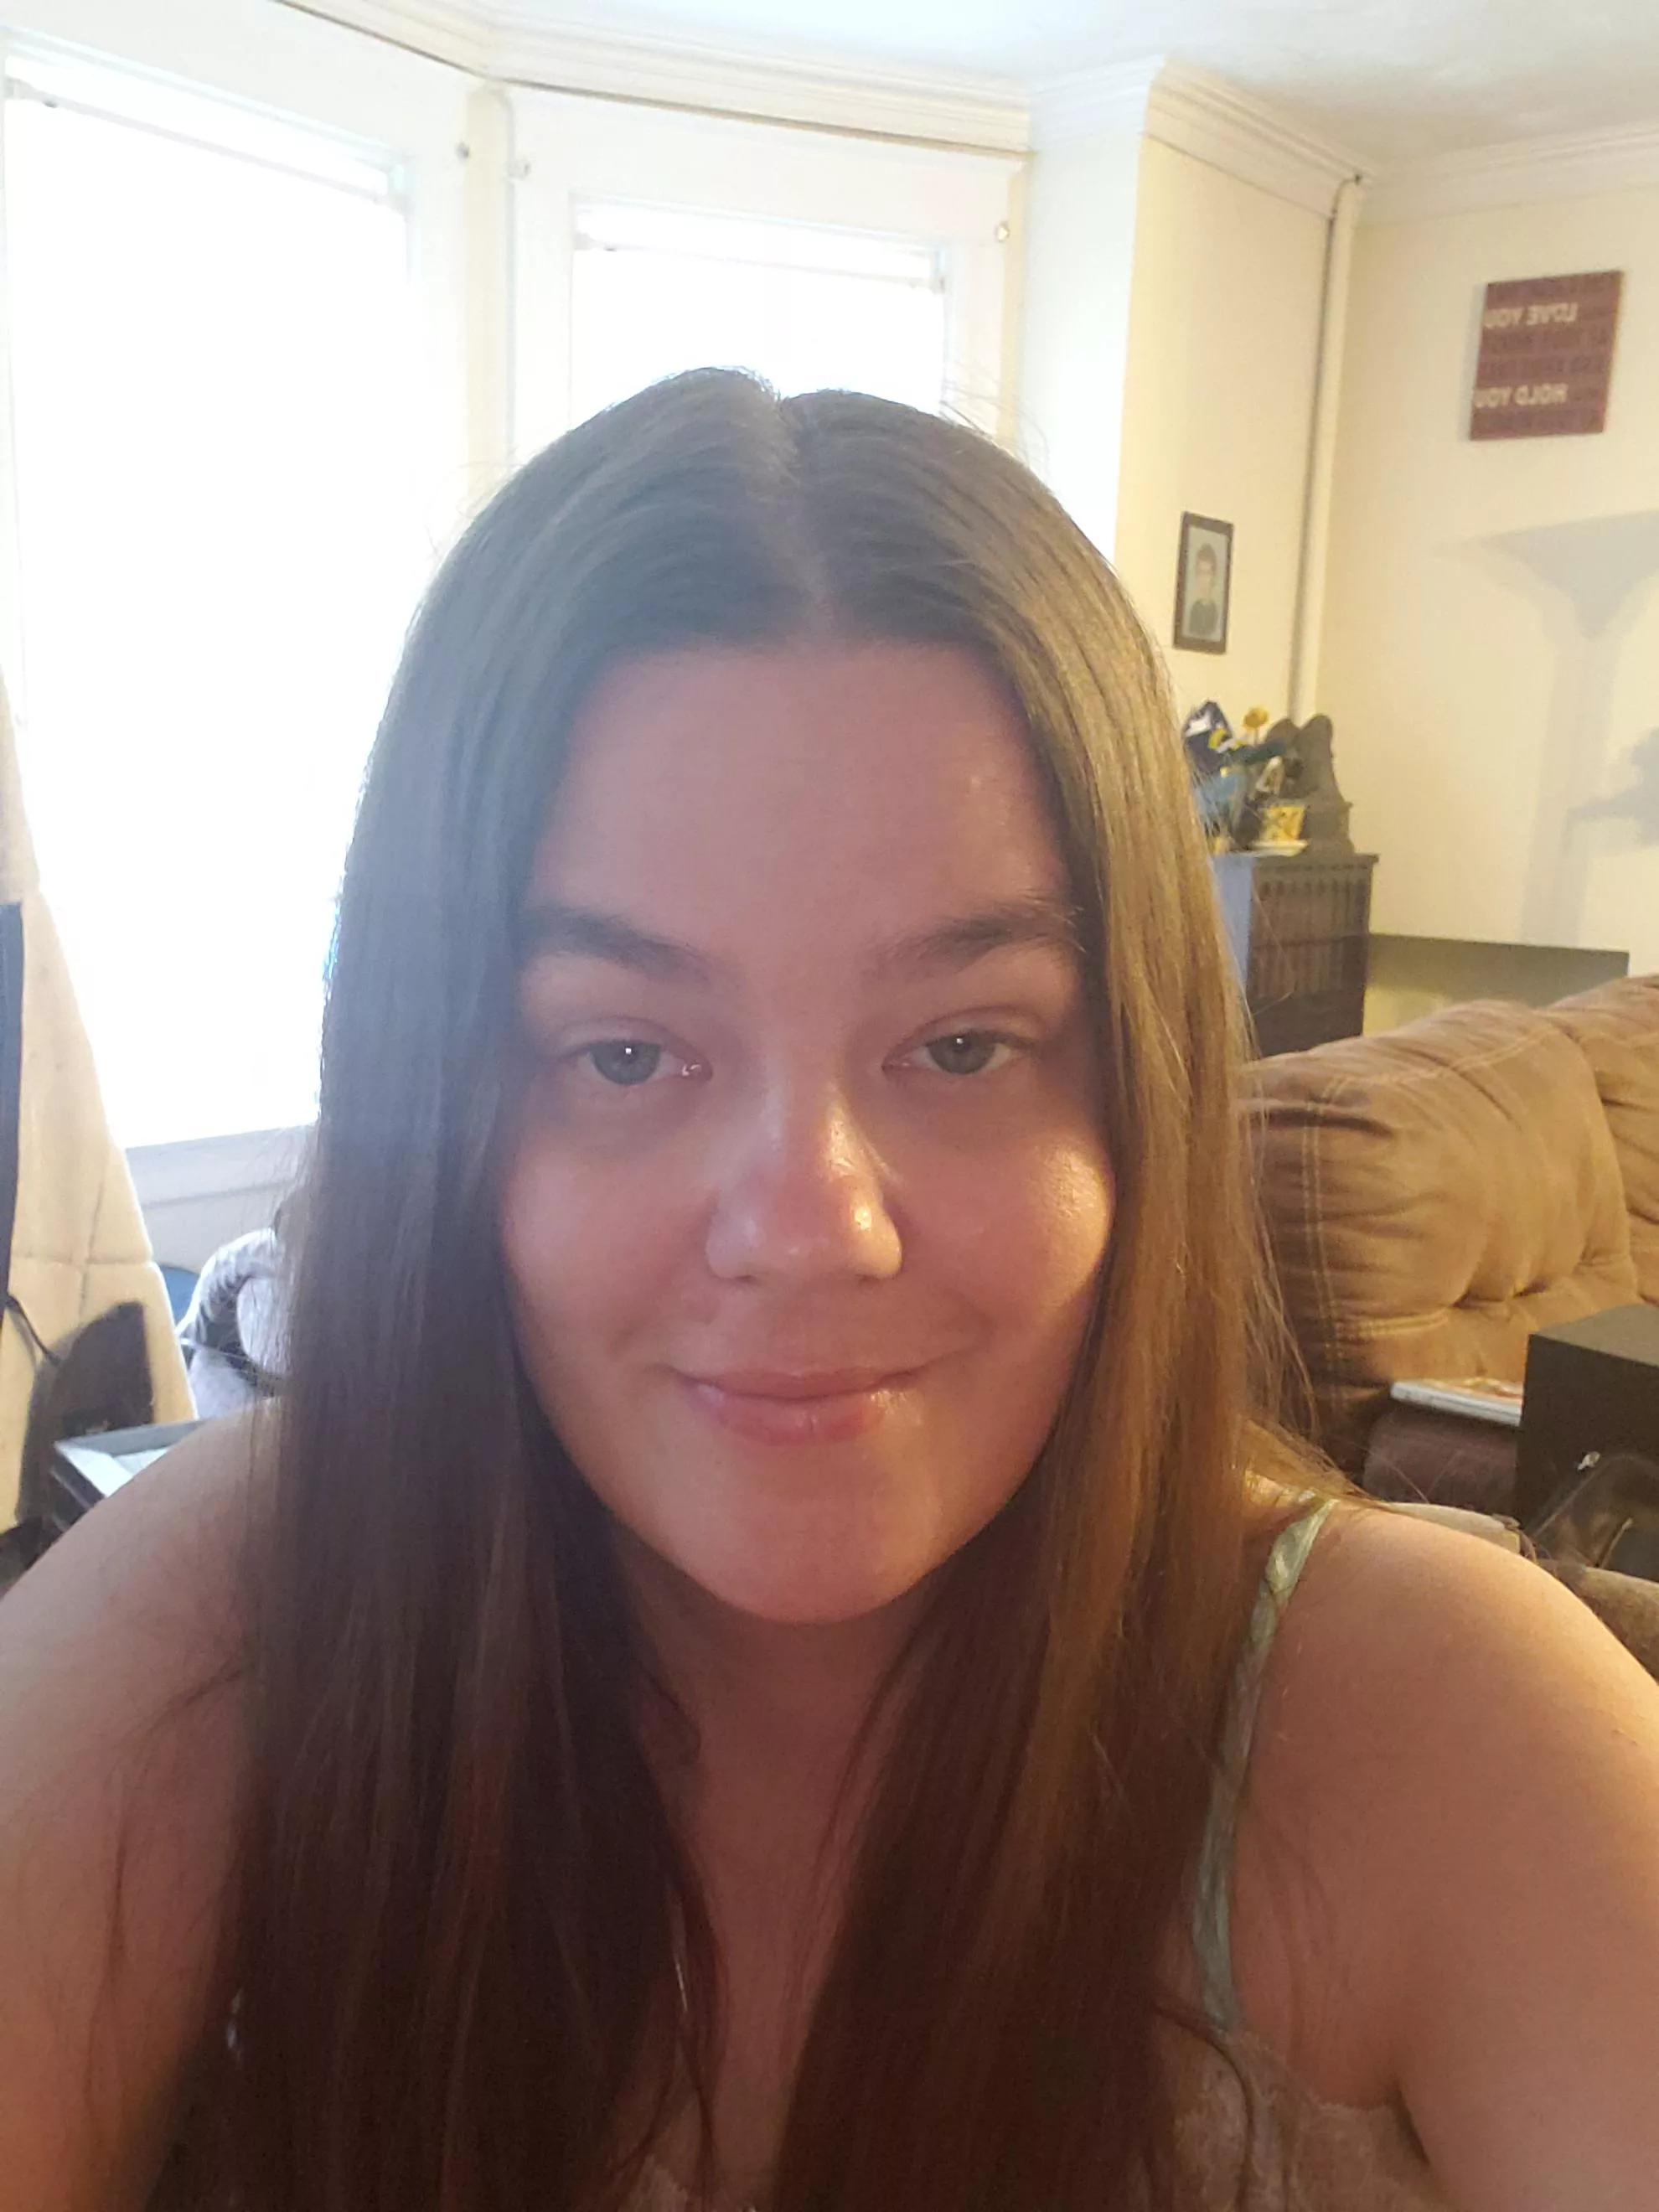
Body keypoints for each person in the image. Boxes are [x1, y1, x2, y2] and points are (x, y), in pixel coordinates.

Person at [1, 373, 1656, 2212]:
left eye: (963, 1044)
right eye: (625, 1054)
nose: (807, 1226)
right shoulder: (243, 1617)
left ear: (1143, 1091)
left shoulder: (1458, 1742)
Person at [1185, 540, 1222, 642]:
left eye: (1207, 573)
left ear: (1213, 577)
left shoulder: (1217, 615)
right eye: (1200, 573)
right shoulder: (1192, 612)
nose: (1203, 579)